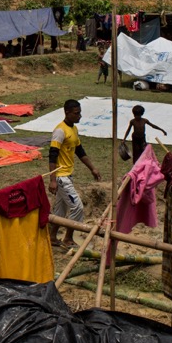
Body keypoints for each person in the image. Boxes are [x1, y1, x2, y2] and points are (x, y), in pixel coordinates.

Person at [49, 100, 102, 246]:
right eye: (76, 113)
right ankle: (68, 238)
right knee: (77, 207)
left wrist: (92, 168)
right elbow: (52, 155)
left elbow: (80, 151)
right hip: (61, 177)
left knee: (60, 209)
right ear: (67, 113)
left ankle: (52, 237)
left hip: (68, 175)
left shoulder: (74, 129)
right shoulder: (60, 131)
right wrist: (52, 180)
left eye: (80, 112)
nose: (79, 116)